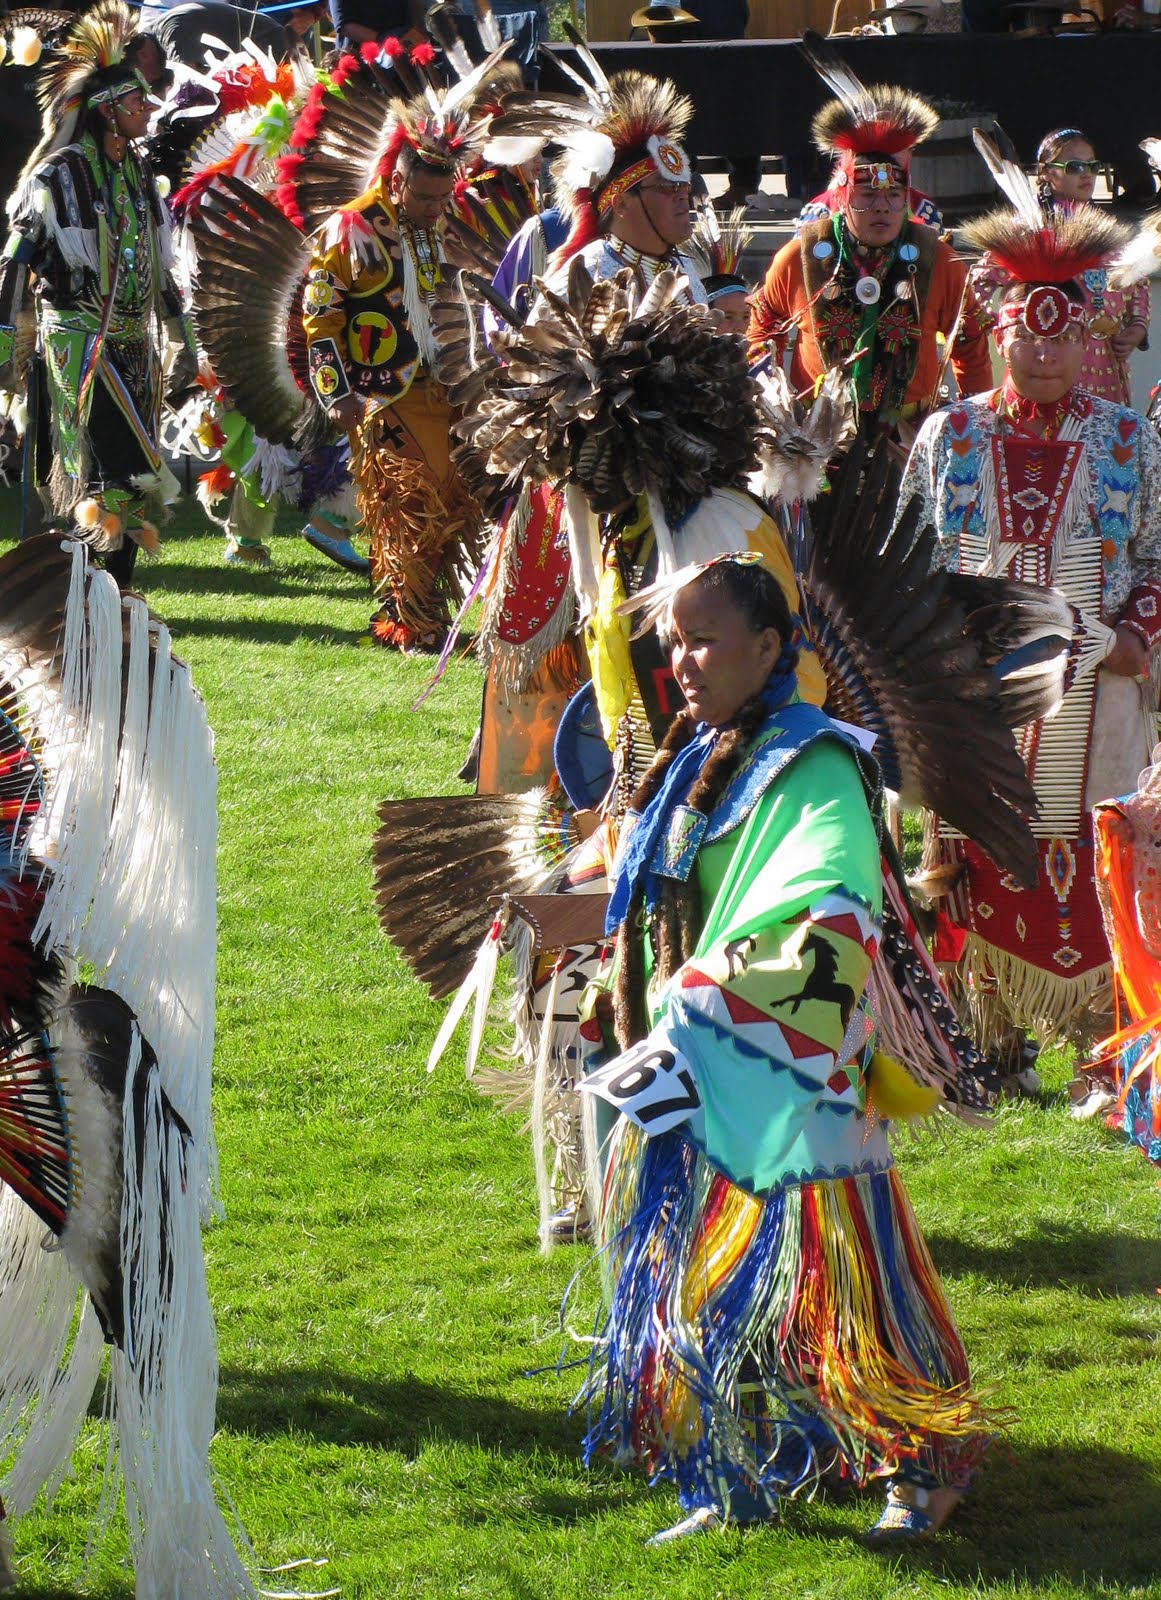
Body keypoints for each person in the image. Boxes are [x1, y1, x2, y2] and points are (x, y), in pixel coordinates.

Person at [577, 554, 992, 1542]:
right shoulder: (695, 753)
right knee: (717, 1266)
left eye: (704, 637)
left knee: (848, 1268)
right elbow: (656, 894)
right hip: (703, 1050)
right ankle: (768, 1448)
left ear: (770, 647)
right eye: (673, 639)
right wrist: (573, 948)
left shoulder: (814, 761)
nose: (681, 657)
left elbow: (827, 903)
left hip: (800, 1055)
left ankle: (924, 1461)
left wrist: (701, 999)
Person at [899, 190, 1161, 1083]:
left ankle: (1107, 1044)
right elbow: (907, 563)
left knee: (1102, 840)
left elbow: (1160, 557)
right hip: (978, 695)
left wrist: (1135, 639)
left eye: (1060, 339)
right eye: (1028, 336)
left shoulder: (1130, 441)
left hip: (1103, 688)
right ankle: (987, 1041)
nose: (1044, 354)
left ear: (1085, 340)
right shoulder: (950, 436)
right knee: (974, 846)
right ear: (1001, 335)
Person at [0, 0, 190, 586]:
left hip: (135, 345)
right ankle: (86, 584)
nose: (148, 109)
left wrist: (183, 341)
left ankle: (115, 584)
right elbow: (14, 262)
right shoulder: (57, 175)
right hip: (77, 345)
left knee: (129, 474)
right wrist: (7, 345)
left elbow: (159, 269)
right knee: (108, 466)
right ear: (108, 111)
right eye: (138, 102)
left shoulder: (137, 175)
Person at [301, 59, 487, 648]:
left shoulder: (442, 226)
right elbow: (320, 316)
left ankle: (425, 609)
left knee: (449, 503)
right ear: (399, 182)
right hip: (383, 390)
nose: (437, 206)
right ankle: (406, 620)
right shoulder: (354, 228)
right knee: (405, 500)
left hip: (445, 386)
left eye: (444, 196)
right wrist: (336, 391)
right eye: (427, 197)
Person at [748, 60, 992, 440]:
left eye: (894, 196)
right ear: (842, 197)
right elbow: (762, 326)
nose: (882, 207)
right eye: (867, 195)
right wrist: (771, 401)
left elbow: (971, 342)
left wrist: (977, 427)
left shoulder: (939, 260)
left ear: (907, 198)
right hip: (815, 441)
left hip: (911, 437)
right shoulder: (800, 256)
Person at [972, 128, 1149, 409]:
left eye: (1092, 166)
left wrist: (1137, 327)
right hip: (1043, 367)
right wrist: (1012, 329)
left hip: (1106, 373)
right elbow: (979, 282)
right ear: (1045, 173)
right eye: (1075, 166)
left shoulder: (1107, 230)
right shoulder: (1028, 229)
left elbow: (1137, 282)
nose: (1086, 174)